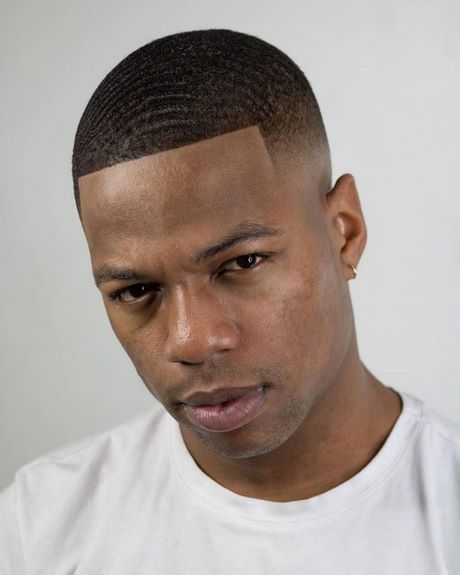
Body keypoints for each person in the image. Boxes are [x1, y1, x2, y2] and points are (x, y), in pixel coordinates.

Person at [0, 29, 458, 574]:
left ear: (344, 232)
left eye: (242, 263)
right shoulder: (38, 528)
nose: (191, 341)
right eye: (136, 291)